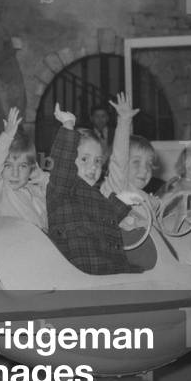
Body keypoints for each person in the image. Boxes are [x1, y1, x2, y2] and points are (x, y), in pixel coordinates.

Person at [46, 103, 146, 274]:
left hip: (108, 268)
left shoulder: (97, 195)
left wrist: (128, 208)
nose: (93, 167)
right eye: (84, 159)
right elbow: (62, 163)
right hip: (80, 271)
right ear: (70, 160)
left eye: (98, 161)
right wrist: (68, 125)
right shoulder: (62, 190)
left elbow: (110, 213)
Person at [0, 106, 47, 230]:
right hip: (14, 246)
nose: (15, 173)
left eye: (22, 166)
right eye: (8, 166)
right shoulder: (1, 193)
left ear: (31, 169)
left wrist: (38, 175)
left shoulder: (36, 192)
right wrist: (7, 137)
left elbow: (55, 190)